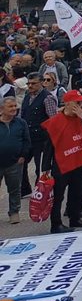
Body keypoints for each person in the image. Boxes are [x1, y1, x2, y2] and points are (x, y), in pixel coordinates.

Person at [43, 90, 82, 233]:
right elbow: (48, 146)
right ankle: (56, 224)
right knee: (58, 196)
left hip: (80, 161)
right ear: (68, 104)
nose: (81, 105)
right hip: (62, 164)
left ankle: (75, 218)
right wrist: (45, 168)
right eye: (77, 102)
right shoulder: (55, 122)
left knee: (77, 192)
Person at [0, 96, 30, 224]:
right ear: (1, 109)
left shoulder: (21, 123)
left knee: (15, 189)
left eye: (15, 106)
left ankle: (14, 212)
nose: (14, 109)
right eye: (10, 106)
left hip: (15, 163)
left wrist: (23, 155)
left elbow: (26, 141)